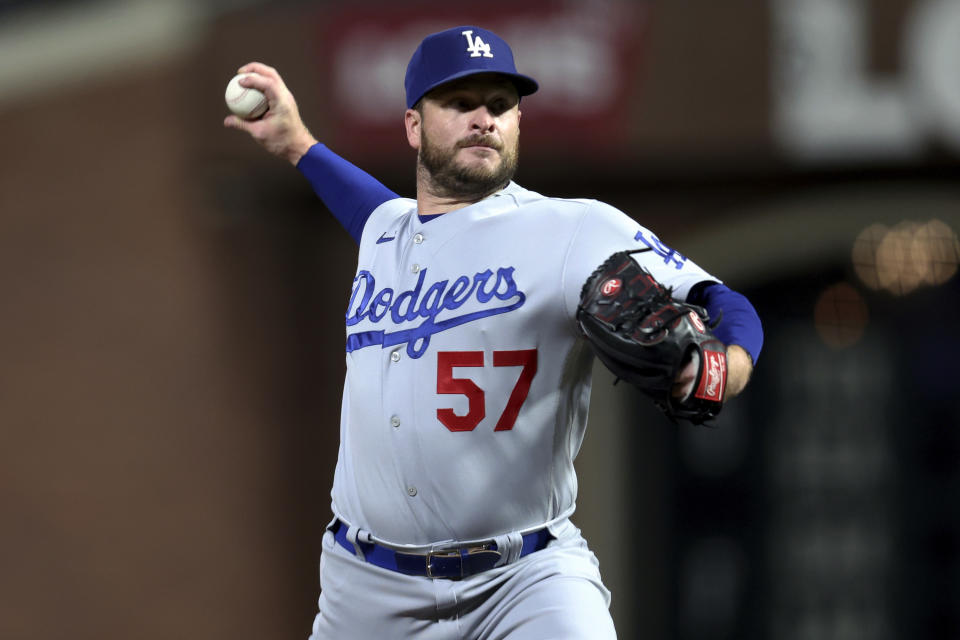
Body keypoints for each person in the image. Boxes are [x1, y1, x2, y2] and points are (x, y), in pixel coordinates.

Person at [224, 25, 762, 639]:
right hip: (365, 588)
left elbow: (721, 300)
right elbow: (364, 204)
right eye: (460, 103)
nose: (484, 118)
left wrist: (726, 367)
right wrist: (298, 145)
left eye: (500, 105)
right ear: (413, 127)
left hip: (525, 579)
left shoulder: (572, 230)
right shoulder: (386, 231)